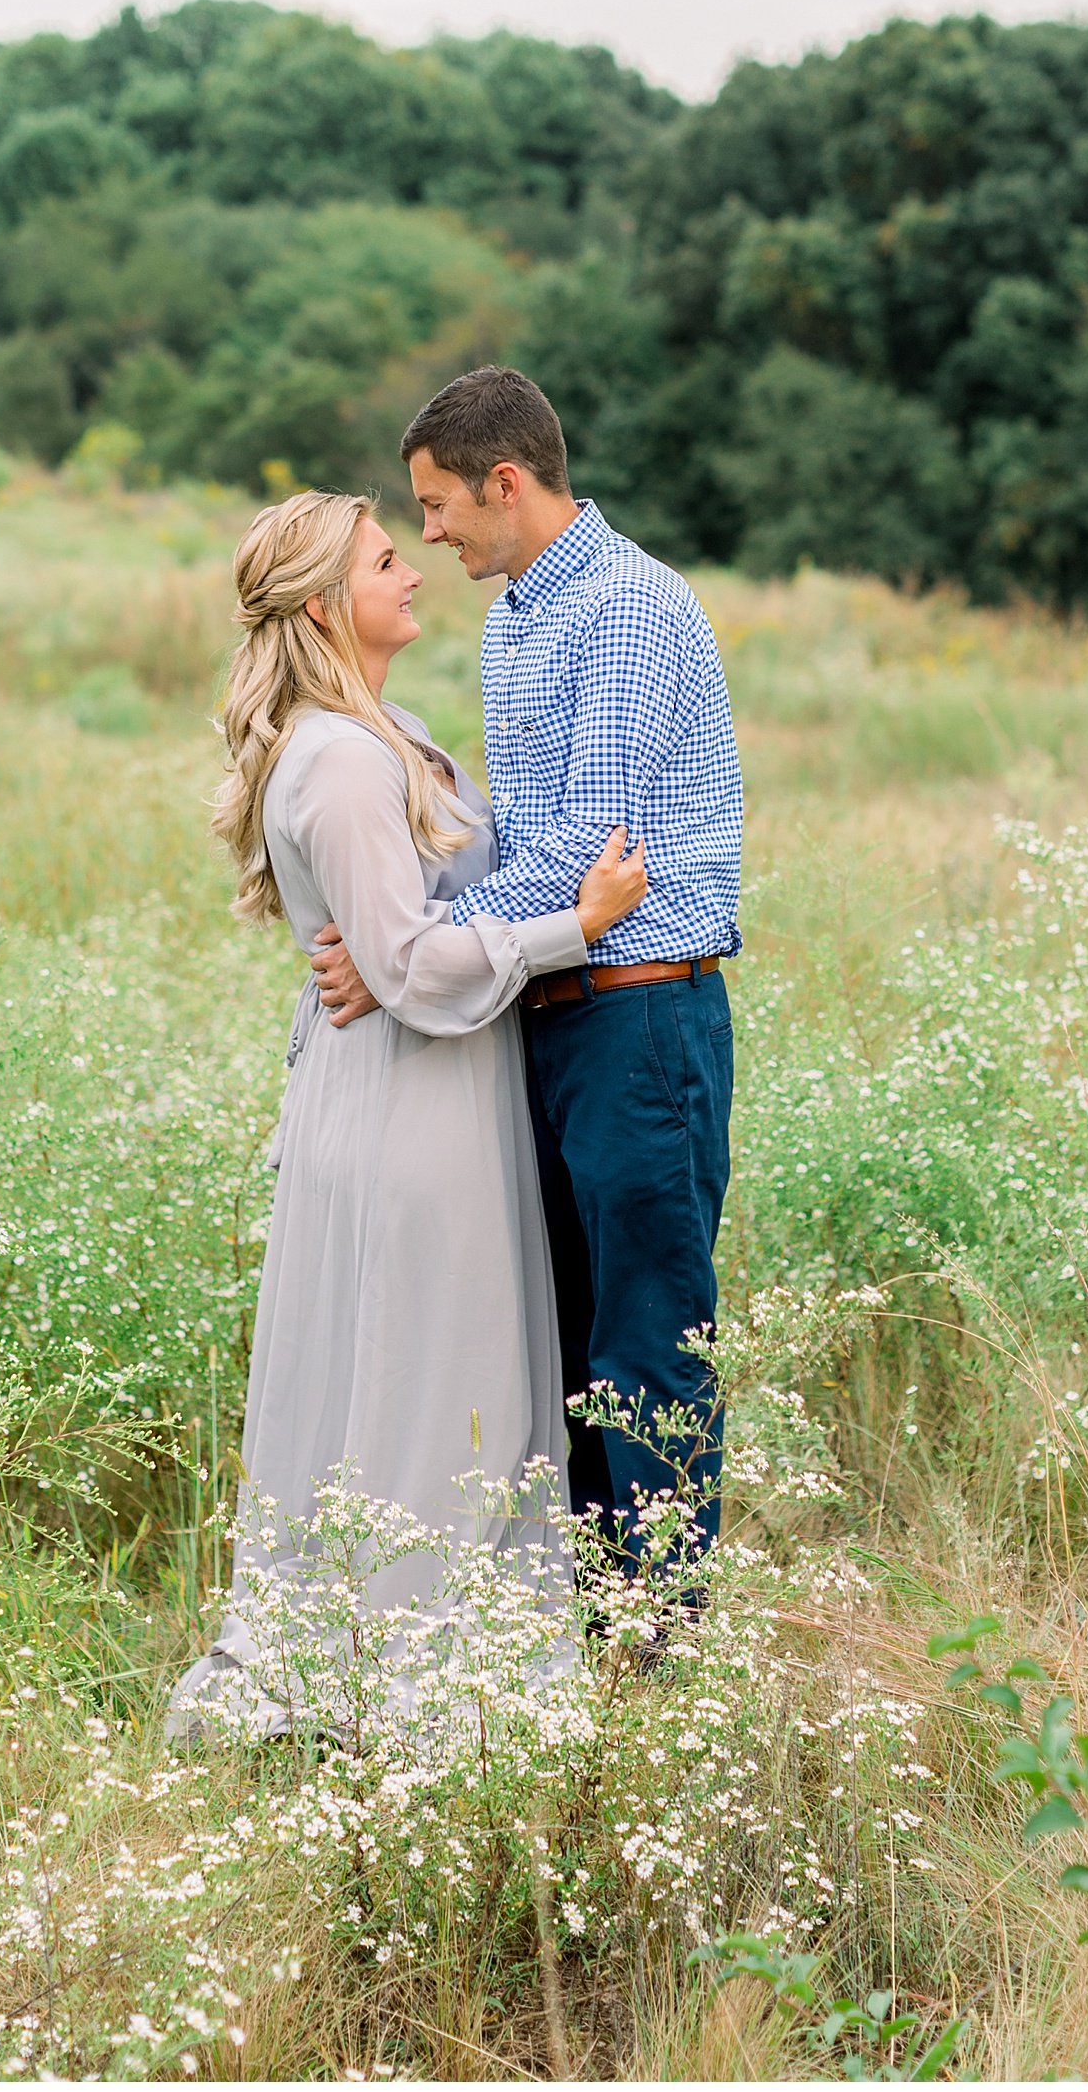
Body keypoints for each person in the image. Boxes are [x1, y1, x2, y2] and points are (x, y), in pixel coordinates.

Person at [168, 487, 645, 1737]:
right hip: (407, 1115)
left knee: (438, 1371)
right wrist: (575, 928)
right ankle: (414, 1687)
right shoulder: (336, 761)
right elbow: (413, 967)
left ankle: (433, 1660)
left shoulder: (394, 731)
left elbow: (403, 946)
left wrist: (397, 953)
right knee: (431, 1378)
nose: (416, 567)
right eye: (390, 557)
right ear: (328, 604)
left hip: (435, 1092)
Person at [313, 366, 742, 1573]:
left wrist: (413, 949)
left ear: (506, 482)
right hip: (545, 1011)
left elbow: (581, 844)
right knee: (561, 1346)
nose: (430, 531)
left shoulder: (626, 609)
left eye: (440, 503)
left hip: (639, 1015)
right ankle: (588, 1636)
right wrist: (421, 928)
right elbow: (520, 838)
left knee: (649, 1341)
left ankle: (664, 1648)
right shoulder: (521, 614)